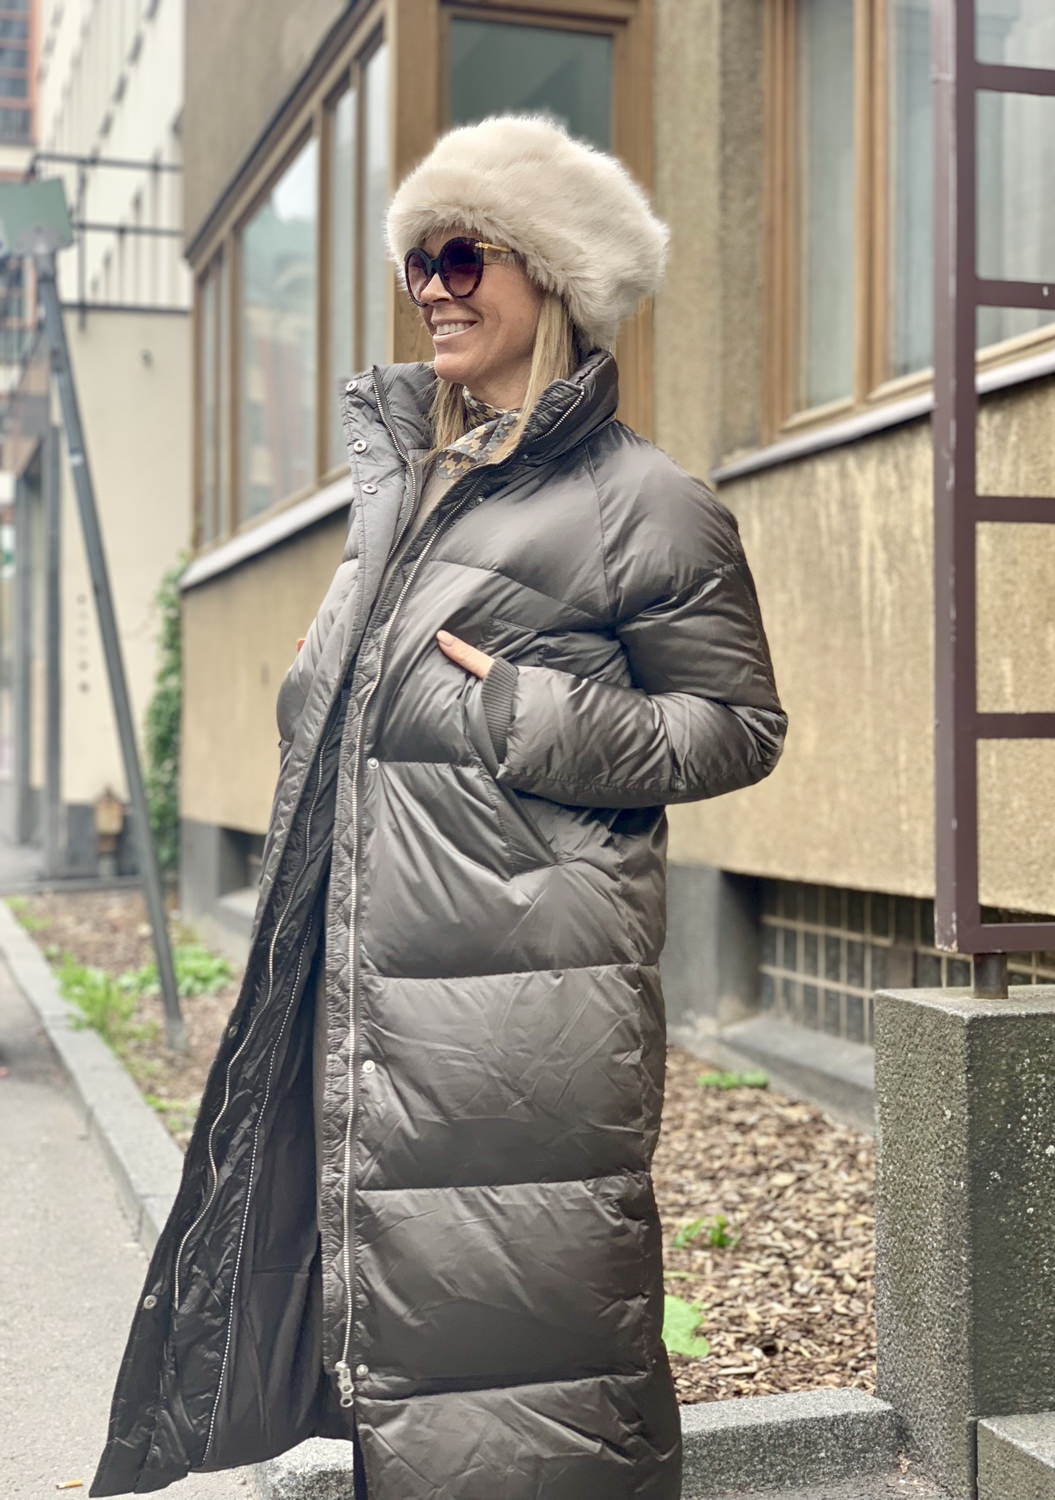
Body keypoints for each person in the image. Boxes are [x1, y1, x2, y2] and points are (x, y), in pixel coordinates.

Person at [89, 113, 787, 1500]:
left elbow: (738, 727)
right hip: (377, 996)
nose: (431, 288)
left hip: (521, 1014)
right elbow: (381, 731)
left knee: (528, 1374)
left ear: (555, 275)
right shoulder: (409, 488)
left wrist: (522, 712)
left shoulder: (647, 504)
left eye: (463, 256)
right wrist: (320, 685)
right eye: (416, 262)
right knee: (412, 1380)